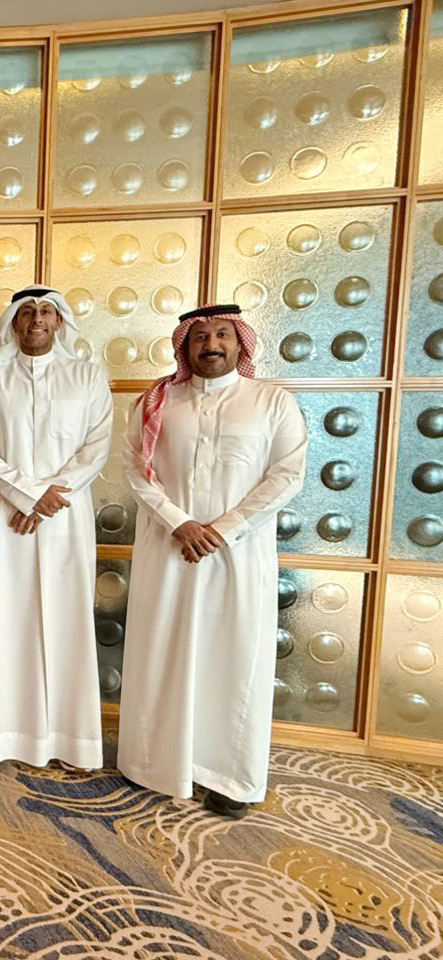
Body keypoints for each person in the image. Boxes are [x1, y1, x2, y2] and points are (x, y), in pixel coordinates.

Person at [118, 304, 307, 818]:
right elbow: (136, 468)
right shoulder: (158, 401)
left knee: (233, 661)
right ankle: (154, 764)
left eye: (222, 334)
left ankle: (230, 777)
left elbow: (287, 475)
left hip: (237, 556)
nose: (212, 345)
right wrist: (178, 521)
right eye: (200, 337)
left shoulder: (272, 402)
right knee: (163, 652)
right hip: (169, 548)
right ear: (185, 346)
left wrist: (222, 529)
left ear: (240, 343)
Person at [0, 286, 112, 768]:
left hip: (65, 517)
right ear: (14, 322)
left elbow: (96, 447)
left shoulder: (88, 376)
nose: (37, 320)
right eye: (27, 312)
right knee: (5, 619)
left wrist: (44, 499)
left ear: (60, 321)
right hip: (4, 517)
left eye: (46, 311)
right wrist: (27, 494)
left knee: (66, 621)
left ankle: (70, 740)